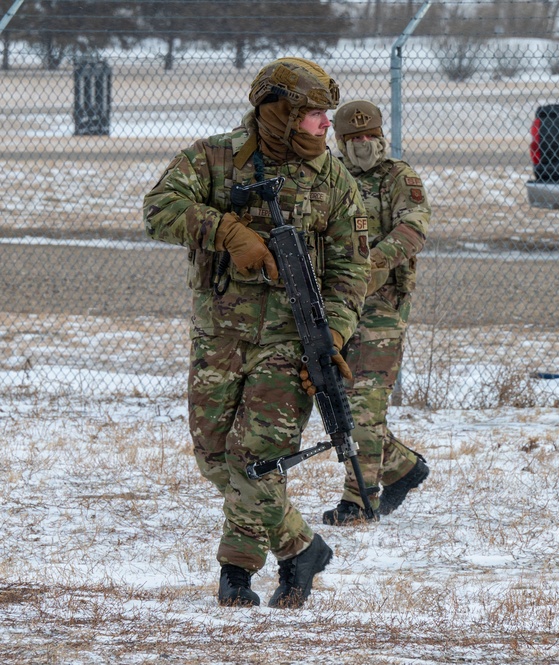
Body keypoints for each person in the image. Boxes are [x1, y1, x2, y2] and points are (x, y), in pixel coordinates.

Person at [143, 58, 370, 607]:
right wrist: (226, 230)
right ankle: (299, 546)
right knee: (213, 454)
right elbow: (158, 209)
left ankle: (236, 572)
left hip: (290, 343)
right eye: (315, 114)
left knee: (256, 456)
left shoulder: (333, 179)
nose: (325, 125)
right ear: (281, 113)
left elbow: (351, 270)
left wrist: (333, 335)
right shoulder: (215, 157)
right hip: (220, 334)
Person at [314, 100, 431, 526]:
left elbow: (414, 228)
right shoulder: (326, 177)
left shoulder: (399, 178)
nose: (363, 144)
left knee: (362, 404)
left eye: (369, 136)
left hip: (380, 309)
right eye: (353, 138)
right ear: (339, 141)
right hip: (332, 305)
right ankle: (401, 466)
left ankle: (360, 499)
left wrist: (372, 266)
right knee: (336, 398)